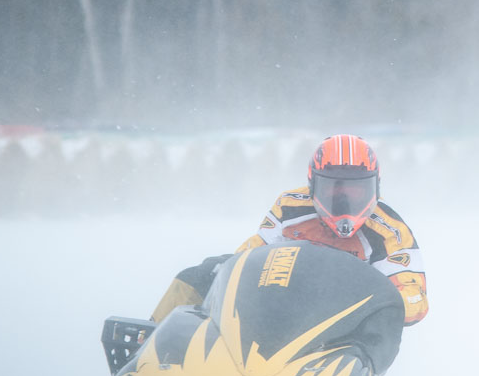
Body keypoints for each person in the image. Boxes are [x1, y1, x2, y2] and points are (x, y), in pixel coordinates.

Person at [150, 134, 428, 326]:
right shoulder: (290, 206)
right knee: (204, 272)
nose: (344, 202)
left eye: (356, 191)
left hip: (348, 323)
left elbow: (414, 297)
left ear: (375, 187)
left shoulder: (390, 230)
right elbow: (247, 259)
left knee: (383, 327)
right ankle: (149, 345)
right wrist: (225, 277)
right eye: (334, 190)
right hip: (284, 310)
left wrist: (383, 303)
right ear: (313, 185)